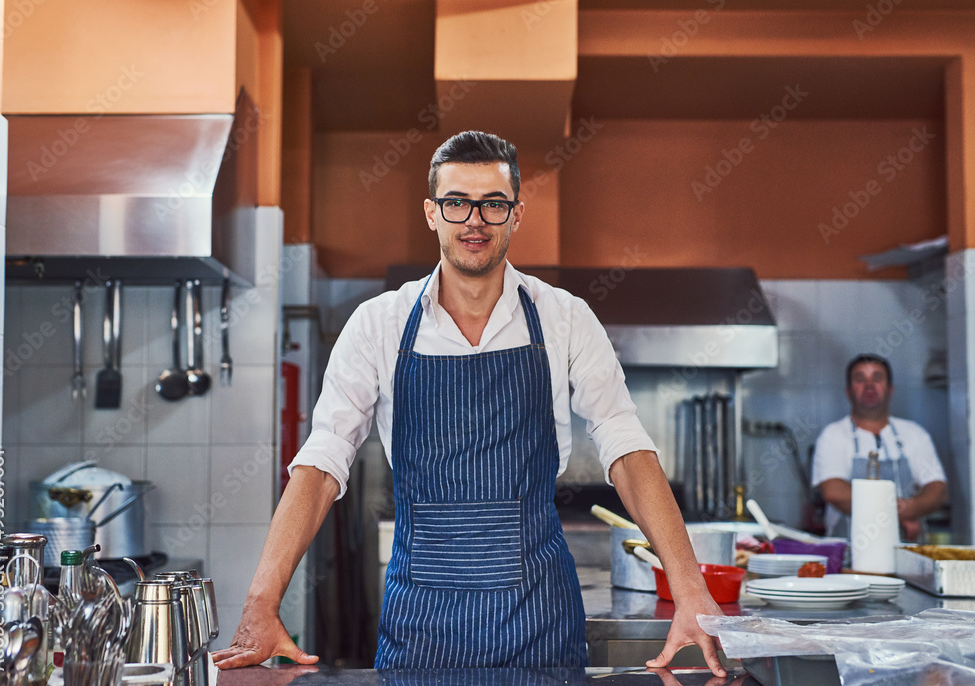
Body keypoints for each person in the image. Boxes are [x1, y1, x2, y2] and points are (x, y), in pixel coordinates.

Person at [211, 131, 726, 675]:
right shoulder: (379, 324)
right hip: (422, 630)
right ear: (432, 213)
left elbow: (626, 450)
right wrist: (260, 604)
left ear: (516, 215)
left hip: (540, 626)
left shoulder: (564, 318)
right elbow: (320, 465)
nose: (474, 219)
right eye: (457, 202)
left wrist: (690, 590)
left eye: (493, 204)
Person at [812, 353, 948, 540]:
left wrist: (911, 507)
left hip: (909, 553)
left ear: (890, 389)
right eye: (860, 379)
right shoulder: (833, 435)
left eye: (877, 378)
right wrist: (896, 514)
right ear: (848, 391)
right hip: (849, 555)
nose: (869, 385)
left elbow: (937, 489)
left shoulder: (915, 433)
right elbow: (834, 492)